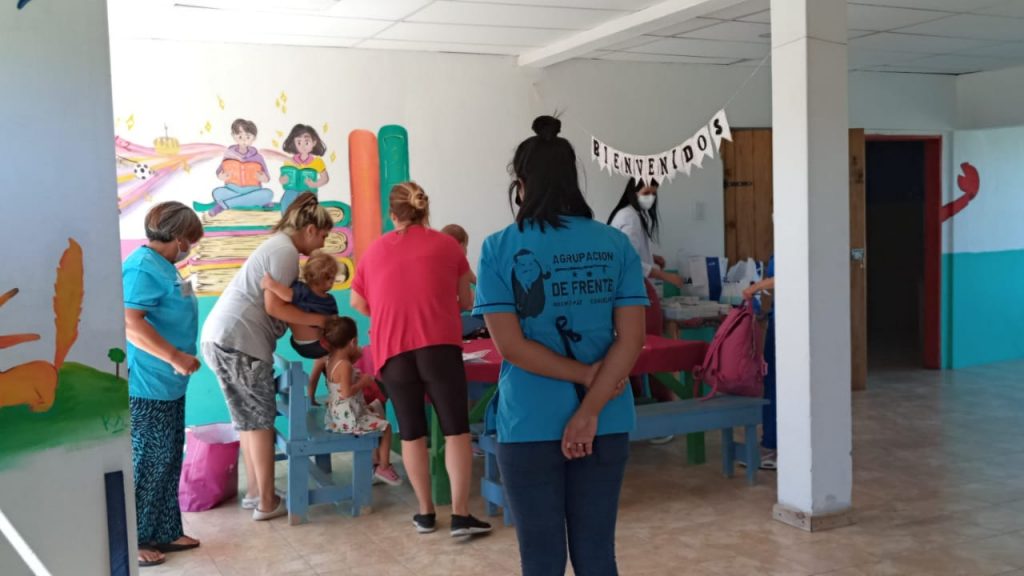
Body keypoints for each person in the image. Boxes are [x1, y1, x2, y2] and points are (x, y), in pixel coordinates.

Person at [474, 116, 647, 576]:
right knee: (597, 554)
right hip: (607, 417)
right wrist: (590, 406)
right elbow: (632, 339)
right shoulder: (614, 244)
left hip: (529, 420)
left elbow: (511, 346)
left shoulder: (498, 247)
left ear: (521, 183)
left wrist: (584, 377)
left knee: (542, 559)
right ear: (573, 178)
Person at [351, 182, 490, 537]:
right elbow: (466, 301)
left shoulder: (373, 251)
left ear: (392, 215)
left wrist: (390, 312)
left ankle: (425, 513)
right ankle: (460, 515)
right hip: (439, 344)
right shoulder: (447, 245)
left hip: (392, 350)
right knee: (456, 428)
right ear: (425, 210)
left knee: (412, 432)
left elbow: (358, 303)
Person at [201, 192, 333, 521]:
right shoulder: (285, 251)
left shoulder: (277, 246)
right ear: (310, 230)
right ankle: (267, 502)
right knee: (260, 421)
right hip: (240, 340)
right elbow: (275, 307)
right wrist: (322, 321)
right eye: (323, 235)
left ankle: (257, 493)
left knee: (248, 421)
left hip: (223, 337)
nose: (322, 244)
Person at [122, 201, 204, 567]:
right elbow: (130, 321)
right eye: (190, 239)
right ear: (177, 236)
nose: (190, 247)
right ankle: (135, 539)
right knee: (148, 462)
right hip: (148, 383)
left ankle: (167, 530)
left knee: (169, 457)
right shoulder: (141, 267)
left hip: (170, 383)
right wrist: (174, 356)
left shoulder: (163, 266)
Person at [608, 178, 681, 444]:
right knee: (653, 354)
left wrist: (653, 259)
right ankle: (662, 418)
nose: (650, 197)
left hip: (625, 292)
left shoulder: (625, 215)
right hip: (637, 291)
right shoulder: (630, 217)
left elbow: (632, 254)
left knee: (634, 356)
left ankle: (638, 416)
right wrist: (663, 274)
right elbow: (629, 260)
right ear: (634, 191)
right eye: (646, 192)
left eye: (653, 193)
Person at [316, 315, 402, 486]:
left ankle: (374, 461)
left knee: (376, 410)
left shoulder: (331, 360)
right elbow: (346, 392)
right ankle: (383, 467)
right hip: (349, 418)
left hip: (337, 414)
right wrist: (364, 382)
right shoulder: (345, 365)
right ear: (353, 342)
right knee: (386, 427)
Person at [260, 250, 339, 360]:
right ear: (328, 280)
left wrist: (269, 284)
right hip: (319, 345)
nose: (332, 282)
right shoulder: (329, 299)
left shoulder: (300, 289)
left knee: (294, 303)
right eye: (332, 278)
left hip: (299, 345)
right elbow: (335, 321)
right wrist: (270, 284)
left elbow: (287, 296)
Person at [743, 255, 776, 470]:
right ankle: (770, 442)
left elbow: (791, 277)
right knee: (771, 383)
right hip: (777, 317)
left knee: (777, 386)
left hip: (789, 323)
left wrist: (756, 288)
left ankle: (773, 446)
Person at [210, 118, 274, 216]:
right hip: (232, 189)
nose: (244, 140)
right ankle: (255, 201)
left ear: (254, 138)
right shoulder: (229, 154)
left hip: (253, 189)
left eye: (248, 137)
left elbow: (267, 177)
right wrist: (221, 176)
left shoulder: (258, 157)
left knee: (268, 194)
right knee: (217, 192)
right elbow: (219, 171)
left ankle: (224, 205)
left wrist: (263, 178)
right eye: (240, 136)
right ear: (233, 136)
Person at [279, 124, 330, 213]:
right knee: (287, 198)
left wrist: (314, 184)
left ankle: (305, 218)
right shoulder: (289, 161)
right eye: (299, 142)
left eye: (306, 143)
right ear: (294, 143)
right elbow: (282, 178)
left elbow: (325, 178)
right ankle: (287, 218)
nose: (302, 146)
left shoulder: (317, 162)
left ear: (314, 143)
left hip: (308, 191)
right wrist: (283, 180)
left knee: (307, 201)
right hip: (292, 189)